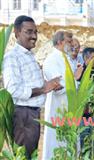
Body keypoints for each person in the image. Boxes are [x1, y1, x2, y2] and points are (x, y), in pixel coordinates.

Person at [2, 15, 61, 159]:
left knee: (31, 155)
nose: (34, 36)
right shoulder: (12, 57)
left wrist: (50, 85)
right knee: (24, 156)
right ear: (17, 33)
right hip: (23, 115)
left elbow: (31, 84)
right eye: (29, 32)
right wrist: (43, 89)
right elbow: (13, 89)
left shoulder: (29, 56)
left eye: (35, 32)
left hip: (31, 114)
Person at [42, 31, 74, 160]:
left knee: (69, 142)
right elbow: (57, 87)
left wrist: (74, 82)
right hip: (57, 107)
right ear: (60, 42)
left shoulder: (67, 59)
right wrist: (75, 82)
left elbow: (69, 82)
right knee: (56, 141)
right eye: (69, 41)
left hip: (70, 107)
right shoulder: (51, 60)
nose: (72, 44)